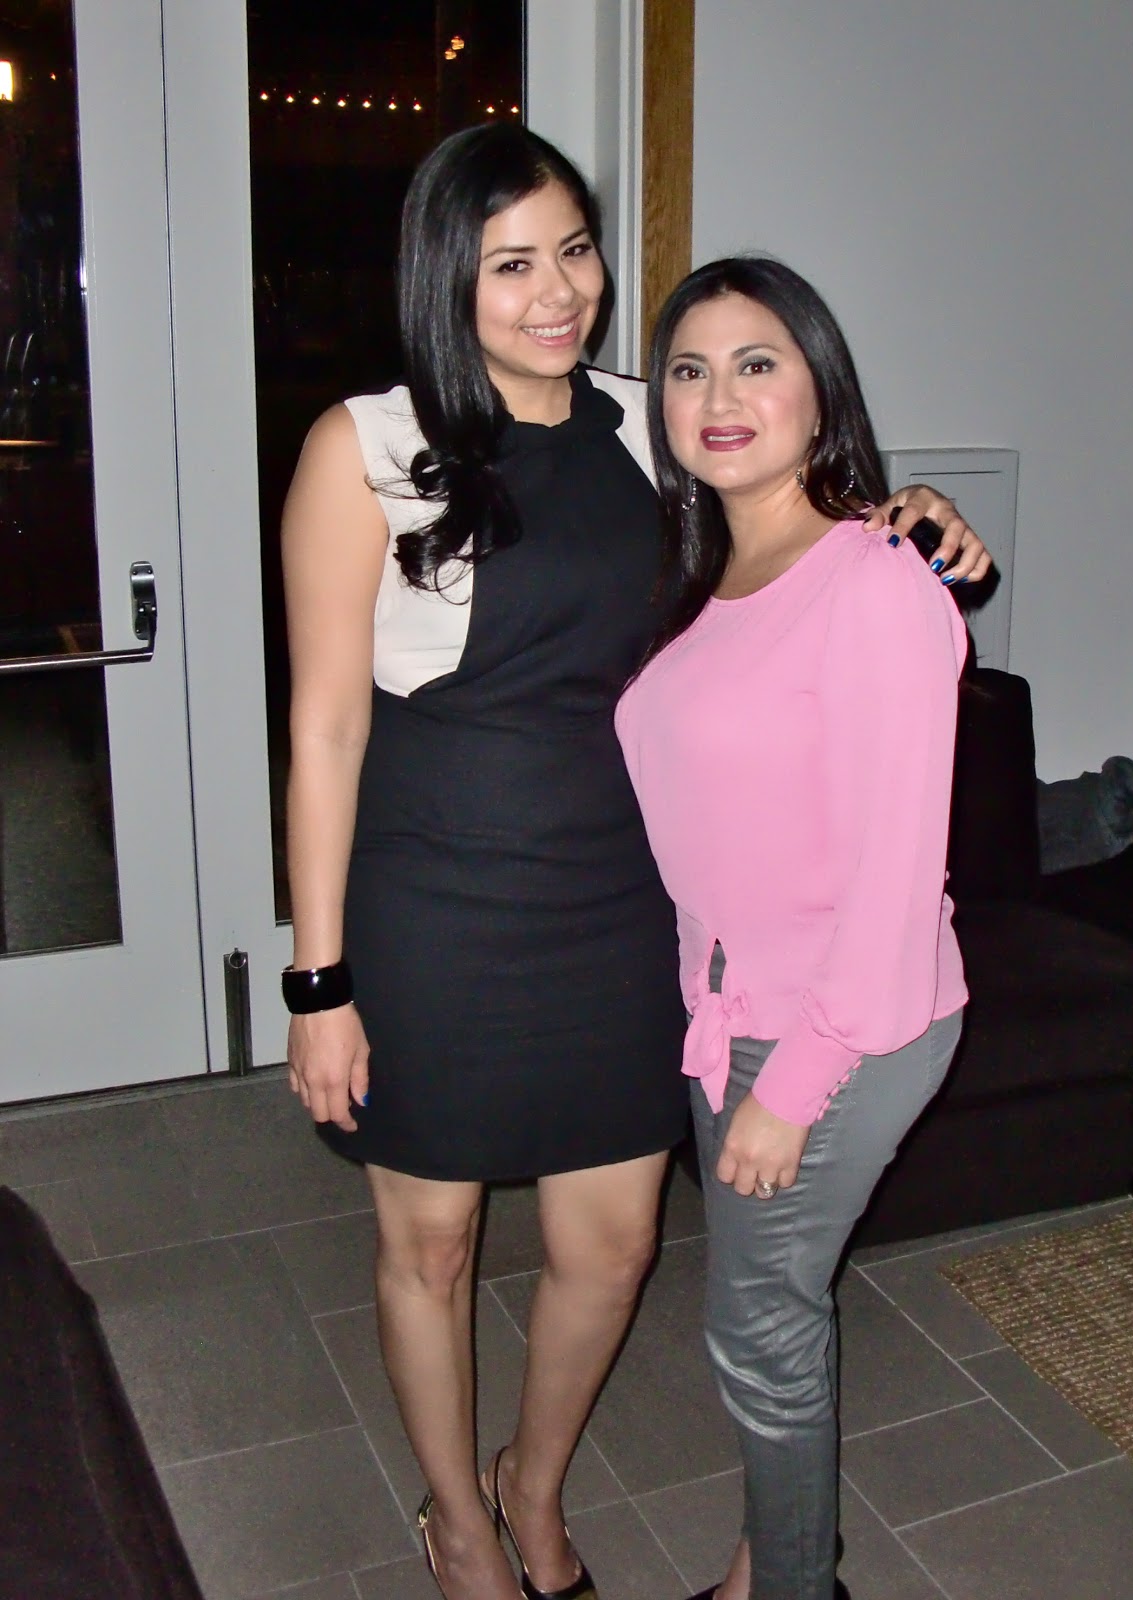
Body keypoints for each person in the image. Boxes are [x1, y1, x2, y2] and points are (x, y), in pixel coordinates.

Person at [280, 125, 988, 1600]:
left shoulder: (645, 425)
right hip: (431, 912)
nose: (558, 293)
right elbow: (328, 731)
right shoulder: (365, 449)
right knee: (433, 1246)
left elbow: (783, 532)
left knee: (612, 1250)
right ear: (443, 280)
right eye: (510, 265)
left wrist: (908, 514)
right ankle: (460, 1526)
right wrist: (319, 979)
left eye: (576, 251)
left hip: (620, 913)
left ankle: (529, 1486)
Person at [615, 256, 971, 1600]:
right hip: (737, 1011)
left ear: (821, 392)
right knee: (762, 1311)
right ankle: (765, 1569)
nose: (719, 396)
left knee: (758, 1328)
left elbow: (896, 878)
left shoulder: (874, 578)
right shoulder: (713, 567)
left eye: (757, 363)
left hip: (839, 1022)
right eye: (689, 370)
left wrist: (796, 1084)